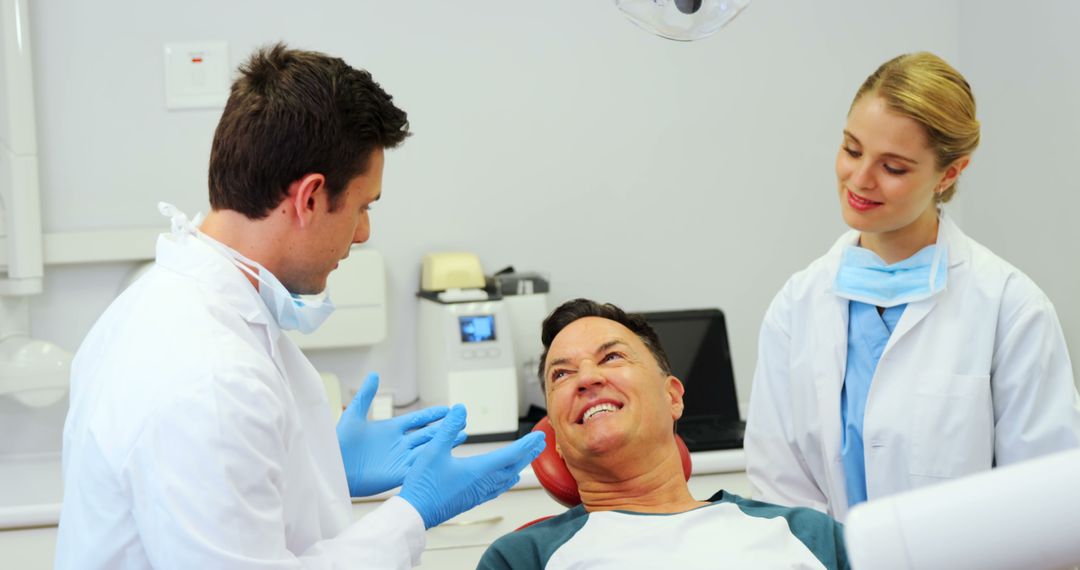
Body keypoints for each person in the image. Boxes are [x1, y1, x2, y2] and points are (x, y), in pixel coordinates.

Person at [55, 43, 545, 569]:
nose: (363, 233)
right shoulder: (211, 377)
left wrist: (320, 466)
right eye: (362, 206)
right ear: (309, 197)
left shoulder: (157, 304)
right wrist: (411, 514)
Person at [744, 51, 1080, 522]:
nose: (859, 180)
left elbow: (1043, 498)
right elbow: (778, 483)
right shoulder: (796, 305)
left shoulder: (1010, 307)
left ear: (950, 173)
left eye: (894, 167)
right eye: (852, 150)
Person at [479, 299, 849, 570]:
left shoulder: (807, 535)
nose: (587, 378)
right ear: (556, 437)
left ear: (672, 396)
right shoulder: (523, 558)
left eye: (611, 358)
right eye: (561, 374)